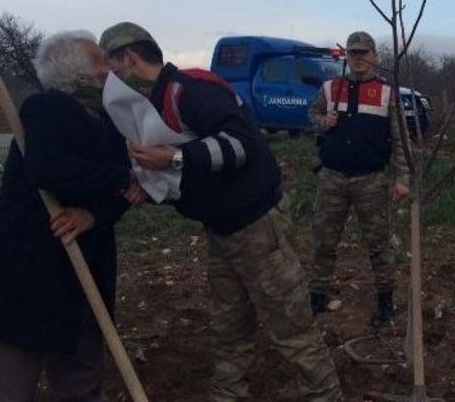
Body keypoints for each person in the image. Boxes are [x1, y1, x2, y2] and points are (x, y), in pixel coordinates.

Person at [98, 22, 342, 402]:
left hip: (257, 228)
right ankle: (227, 394)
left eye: (111, 66)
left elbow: (242, 145)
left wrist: (175, 157)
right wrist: (151, 185)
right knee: (229, 328)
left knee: (291, 330)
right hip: (222, 230)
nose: (109, 78)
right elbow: (192, 169)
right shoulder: (157, 103)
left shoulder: (190, 91)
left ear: (129, 56)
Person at [0, 31, 137, 401]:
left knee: (82, 387)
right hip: (22, 278)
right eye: (101, 61)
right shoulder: (46, 109)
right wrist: (121, 178)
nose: (110, 69)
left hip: (82, 280)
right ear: (75, 71)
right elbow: (47, 169)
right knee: (2, 389)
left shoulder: (111, 122)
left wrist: (93, 214)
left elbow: (126, 195)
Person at [307, 31, 410, 327]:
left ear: (375, 57)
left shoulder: (388, 93)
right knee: (324, 240)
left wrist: (402, 176)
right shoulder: (330, 88)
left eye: (365, 52)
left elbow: (400, 140)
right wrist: (322, 123)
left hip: (371, 181)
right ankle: (317, 295)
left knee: (378, 245)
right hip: (332, 178)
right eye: (354, 53)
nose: (360, 58)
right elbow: (311, 117)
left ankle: (385, 301)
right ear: (347, 57)